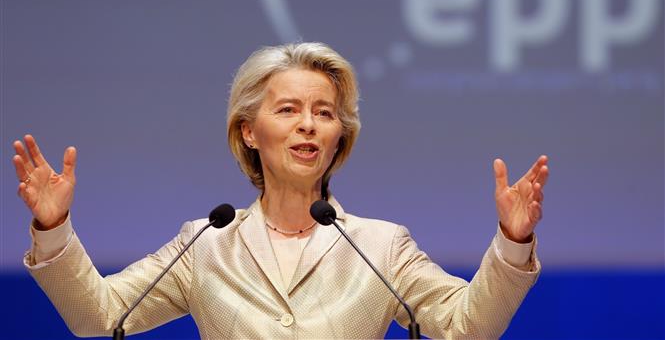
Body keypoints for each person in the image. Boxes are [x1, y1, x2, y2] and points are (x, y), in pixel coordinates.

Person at [14, 42, 548, 339]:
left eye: (324, 113)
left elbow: (466, 326)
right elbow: (99, 316)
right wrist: (53, 227)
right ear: (249, 131)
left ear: (340, 137)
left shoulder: (381, 247)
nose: (308, 125)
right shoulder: (205, 244)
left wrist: (513, 240)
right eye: (288, 110)